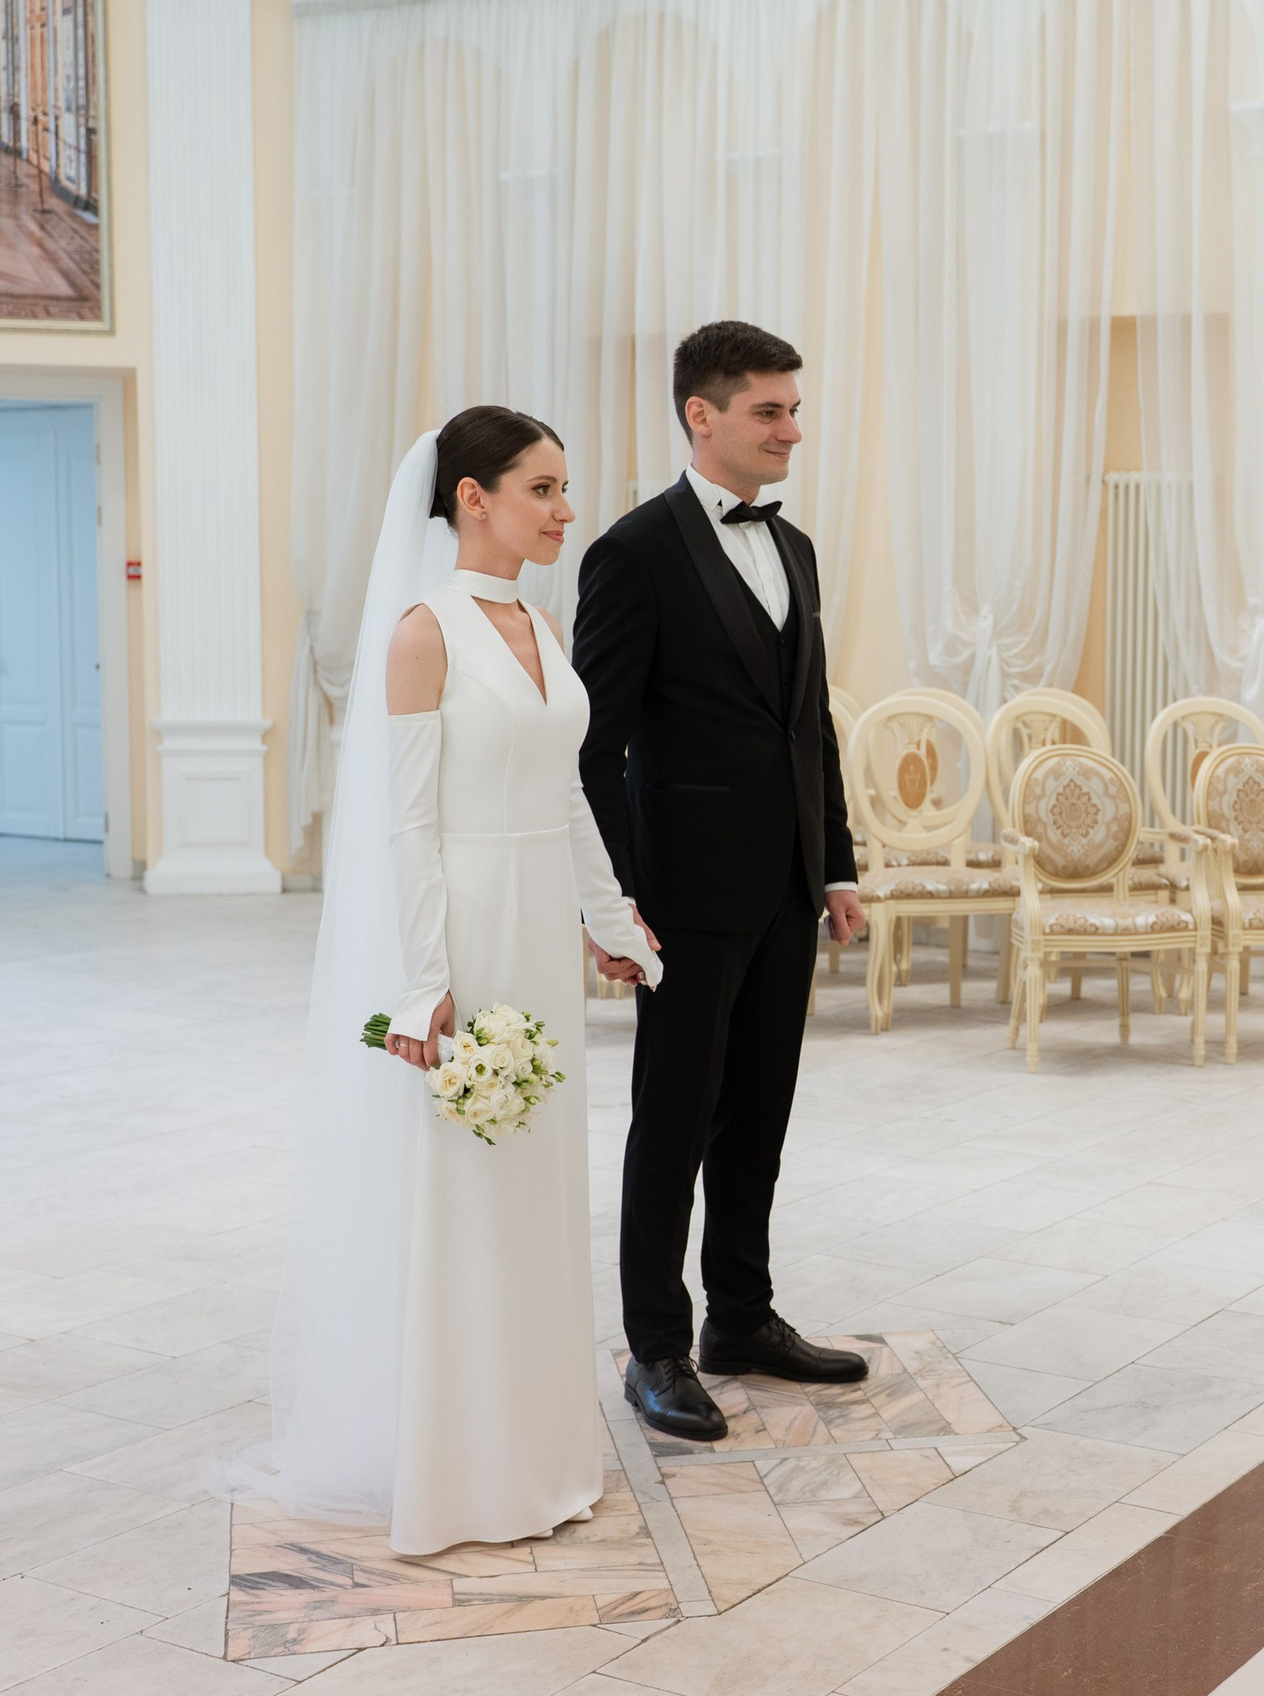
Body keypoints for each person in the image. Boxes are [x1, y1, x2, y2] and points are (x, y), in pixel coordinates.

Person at [217, 408, 661, 1556]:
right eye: (544, 487)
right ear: (472, 496)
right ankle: (463, 1473)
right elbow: (405, 828)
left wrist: (607, 918)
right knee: (465, 1194)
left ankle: (542, 1448)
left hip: (536, 938)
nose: (566, 509)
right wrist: (424, 984)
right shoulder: (424, 633)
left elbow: (565, 792)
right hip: (462, 928)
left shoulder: (543, 623)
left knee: (538, 1189)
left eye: (566, 488)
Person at [572, 321, 868, 1443]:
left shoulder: (792, 550)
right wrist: (619, 898)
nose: (793, 428)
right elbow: (594, 746)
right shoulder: (634, 552)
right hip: (683, 897)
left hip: (787, 884)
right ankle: (657, 1341)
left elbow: (811, 725)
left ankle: (741, 1315)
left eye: (794, 409)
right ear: (704, 415)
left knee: (761, 1113)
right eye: (771, 410)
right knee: (674, 1120)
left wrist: (832, 860)